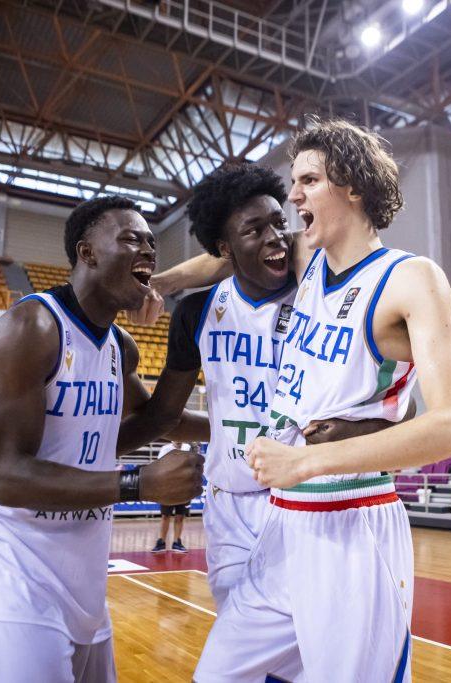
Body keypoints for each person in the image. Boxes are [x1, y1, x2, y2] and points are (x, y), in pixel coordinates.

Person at [159, 119, 451, 682]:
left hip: (352, 525)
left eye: (307, 180)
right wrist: (161, 284)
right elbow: (225, 252)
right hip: (283, 527)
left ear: (351, 185)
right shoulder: (307, 264)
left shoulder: (411, 278)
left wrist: (306, 460)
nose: (293, 195)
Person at [0, 195, 207, 683]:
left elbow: (156, 419)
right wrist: (138, 485)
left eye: (152, 242)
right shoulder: (31, 328)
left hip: (81, 583)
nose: (149, 250)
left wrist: (245, 422)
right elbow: (6, 477)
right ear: (87, 253)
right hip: (10, 572)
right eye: (132, 239)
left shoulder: (116, 345)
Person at [132, 162, 411, 608]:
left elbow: (400, 406)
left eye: (279, 222)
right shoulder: (196, 314)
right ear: (226, 248)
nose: (275, 237)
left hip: (306, 496)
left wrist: (166, 279)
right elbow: (164, 417)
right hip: (232, 506)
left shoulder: (316, 288)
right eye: (255, 230)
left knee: (307, 649)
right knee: (244, 645)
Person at [151, 441, 197, 553]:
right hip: (168, 488)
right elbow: (160, 467)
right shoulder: (165, 449)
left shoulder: (188, 447)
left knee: (180, 516)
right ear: (172, 438)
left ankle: (177, 542)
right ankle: (161, 542)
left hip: (184, 487)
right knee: (165, 516)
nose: (178, 439)